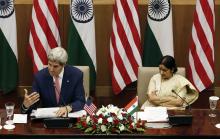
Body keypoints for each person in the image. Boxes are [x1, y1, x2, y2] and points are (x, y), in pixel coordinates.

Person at [21, 47, 85, 117]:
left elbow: (81, 101)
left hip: (68, 119)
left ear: (64, 65)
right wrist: (26, 105)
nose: (51, 69)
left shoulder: (76, 75)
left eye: (55, 66)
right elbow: (32, 106)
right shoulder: (40, 77)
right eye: (49, 64)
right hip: (47, 121)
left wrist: (69, 107)